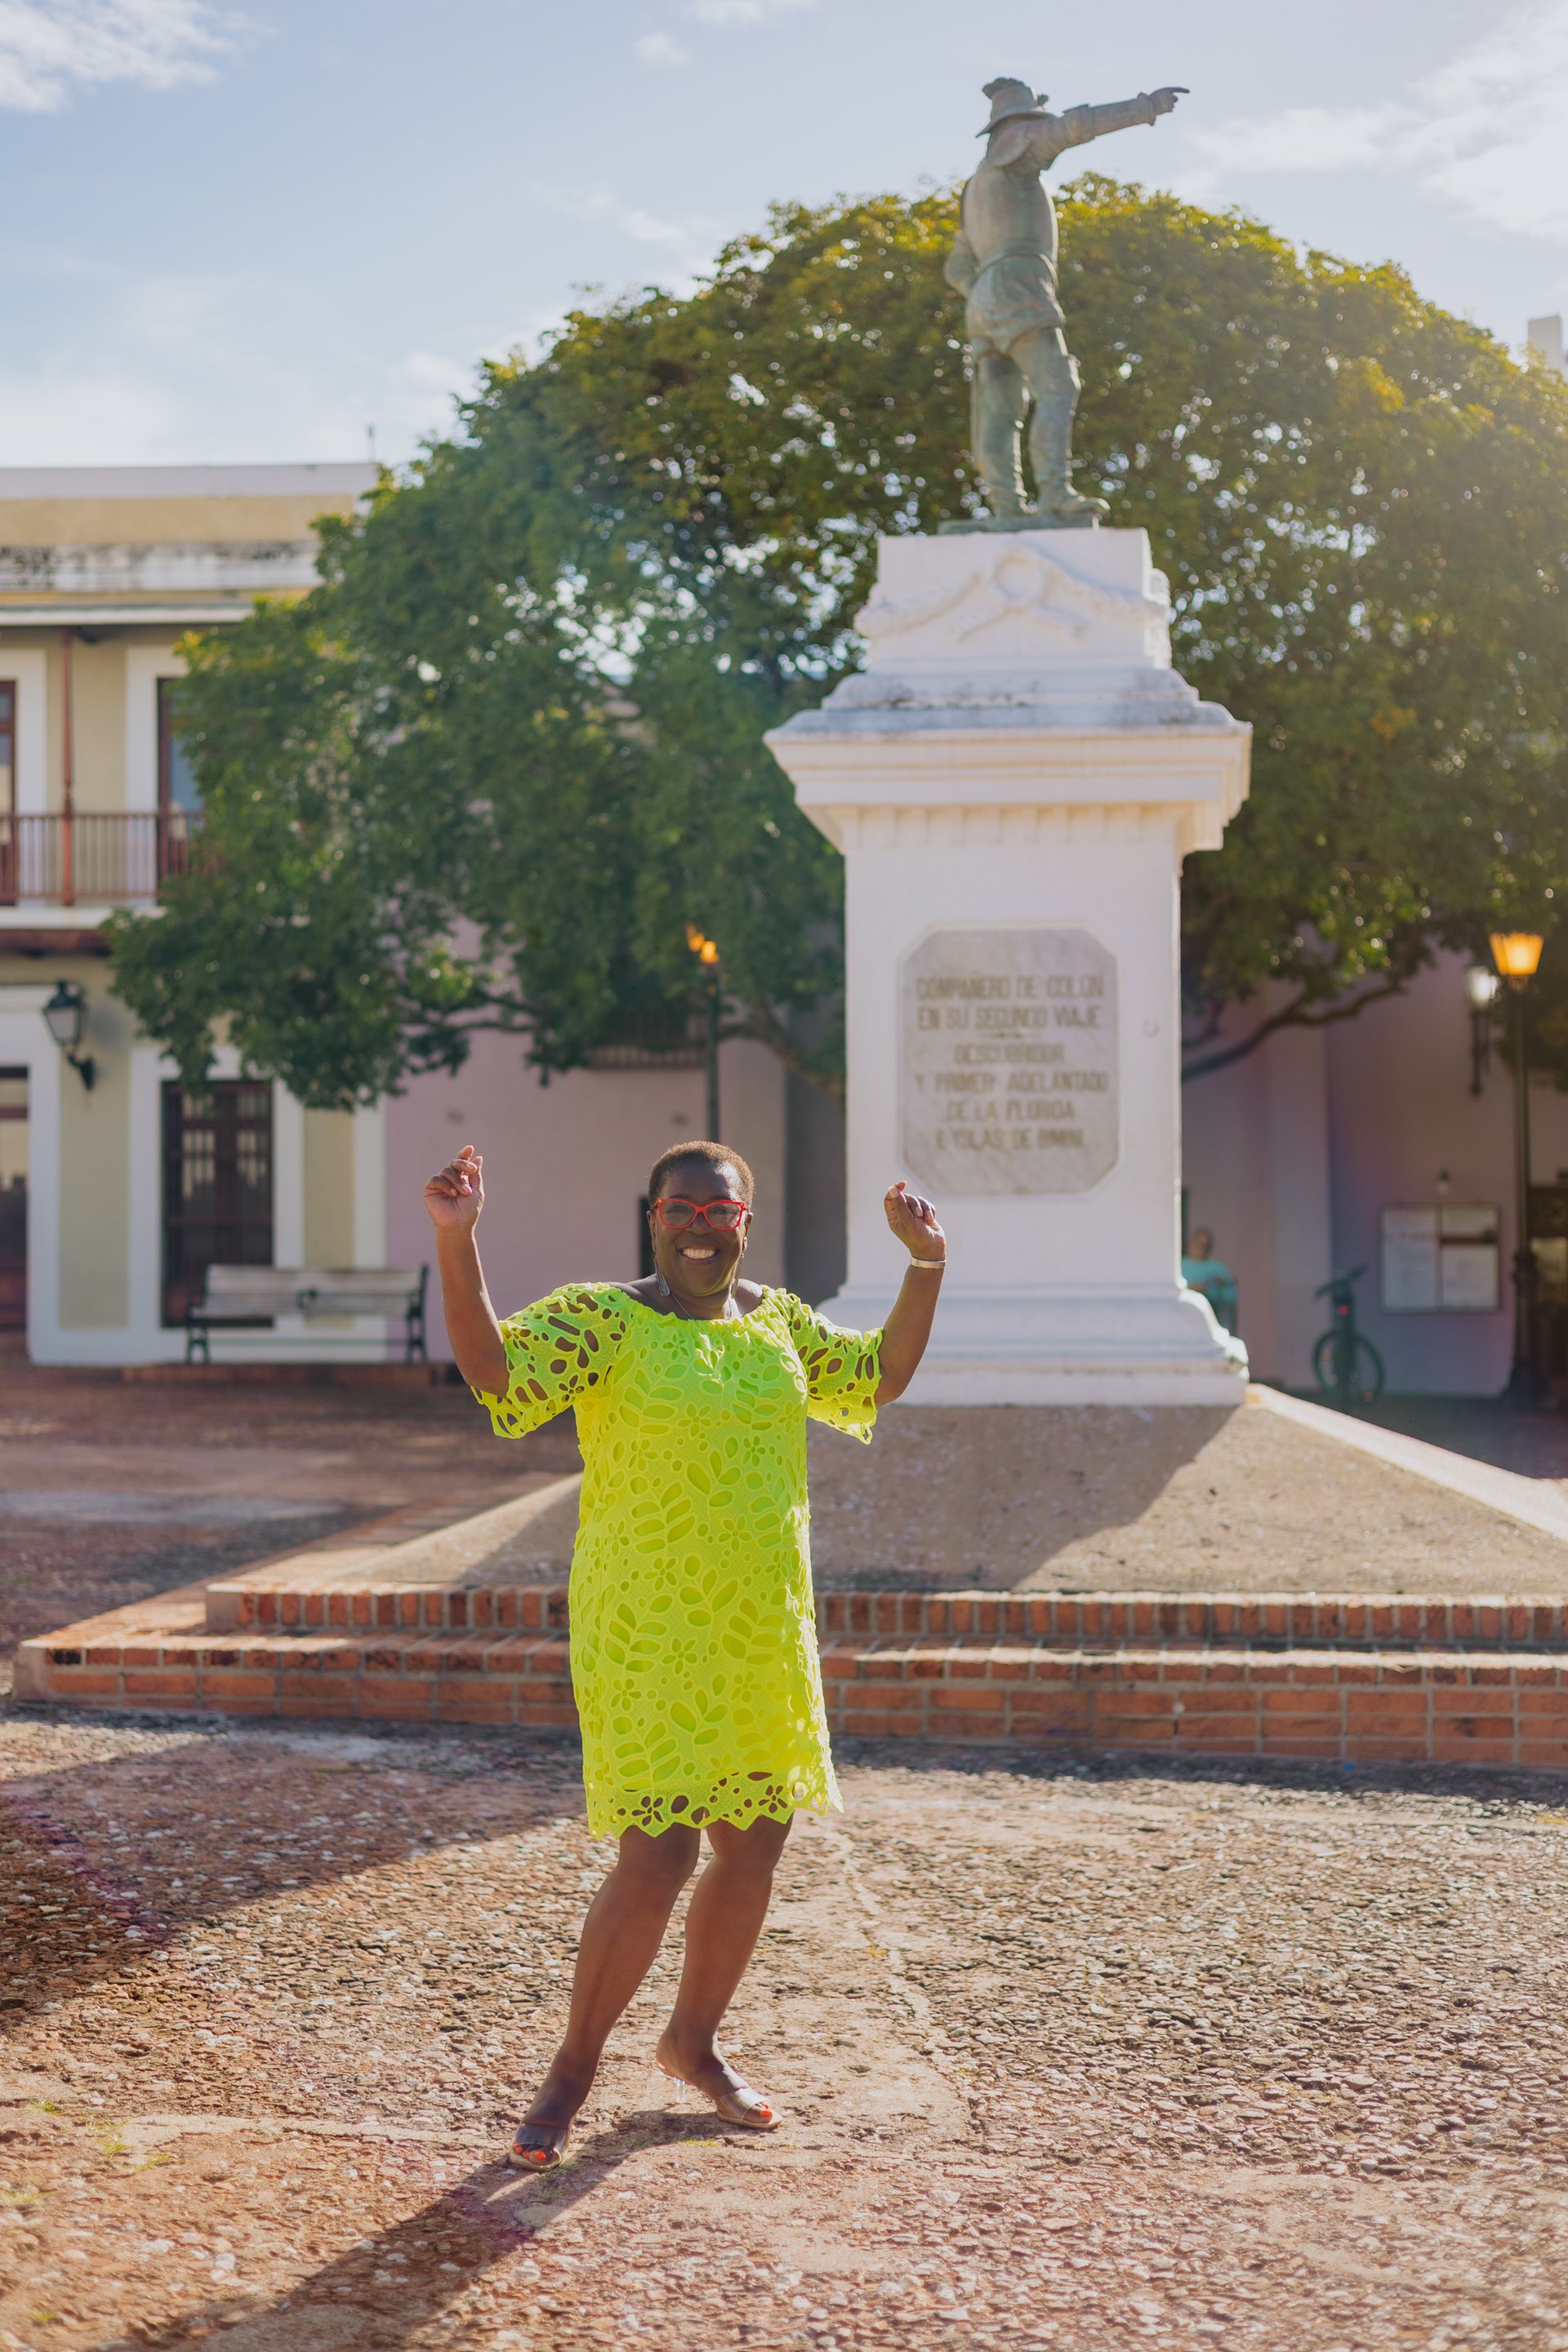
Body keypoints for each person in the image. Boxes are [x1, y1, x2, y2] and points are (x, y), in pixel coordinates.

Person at [423, 1136, 946, 2169]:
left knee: (754, 1839)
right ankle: (571, 2069)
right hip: (645, 1625)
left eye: (721, 1211)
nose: (701, 1226)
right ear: (651, 1215)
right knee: (656, 1851)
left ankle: (692, 2044)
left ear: (745, 1222)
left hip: (759, 1623)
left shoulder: (784, 1323)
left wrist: (925, 1266)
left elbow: (877, 1379)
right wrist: (458, 1241)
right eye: (682, 1209)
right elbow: (495, 1372)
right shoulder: (604, 1319)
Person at [944, 74, 1185, 528]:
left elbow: (956, 268)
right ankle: (1055, 492)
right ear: (1021, 122)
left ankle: (1006, 505)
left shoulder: (974, 186)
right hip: (1019, 285)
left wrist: (982, 296)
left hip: (982, 302)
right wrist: (1145, 108)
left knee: (1000, 409)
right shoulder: (1016, 147)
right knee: (1057, 385)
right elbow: (1072, 128)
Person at [1182, 1226, 1238, 1336]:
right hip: (1184, 1319)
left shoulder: (1217, 1268)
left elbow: (1232, 1298)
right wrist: (1190, 1290)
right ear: (1191, 1243)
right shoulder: (1180, 1266)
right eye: (1198, 1244)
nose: (1201, 1249)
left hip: (1212, 1320)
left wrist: (1223, 1285)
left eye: (1205, 1246)